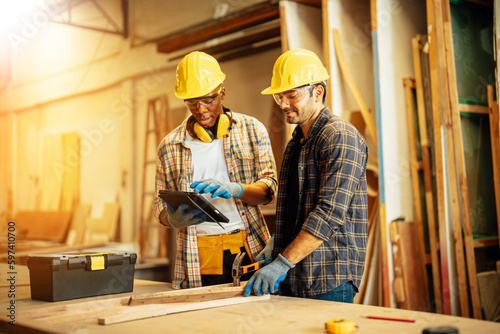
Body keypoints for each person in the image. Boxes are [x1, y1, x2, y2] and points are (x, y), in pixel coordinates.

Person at [244, 49, 368, 302]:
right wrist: (277, 241)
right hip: (294, 274)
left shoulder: (339, 136)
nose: (283, 104)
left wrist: (280, 263)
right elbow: (296, 209)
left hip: (328, 278)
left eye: (292, 95)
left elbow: (329, 213)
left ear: (318, 92)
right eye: (280, 96)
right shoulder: (297, 142)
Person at [153, 51, 278, 289]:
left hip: (247, 248)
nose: (200, 110)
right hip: (196, 256)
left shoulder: (253, 131)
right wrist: (170, 219)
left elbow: (269, 189)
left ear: (222, 91)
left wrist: (236, 189)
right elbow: (158, 203)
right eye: (192, 102)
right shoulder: (169, 146)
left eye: (208, 100)